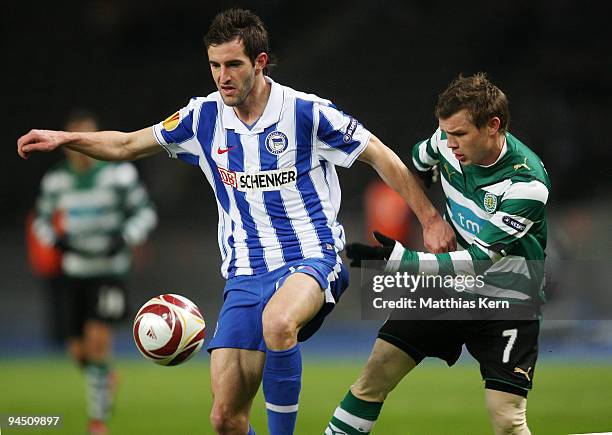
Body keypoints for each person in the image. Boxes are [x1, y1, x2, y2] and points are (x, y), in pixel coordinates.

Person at [18, 9, 455, 435]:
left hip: (313, 257)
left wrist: (430, 218)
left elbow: (378, 153)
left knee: (278, 322)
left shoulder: (306, 112)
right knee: (225, 420)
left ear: (259, 63)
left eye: (233, 65)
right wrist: (67, 139)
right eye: (214, 65)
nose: (222, 76)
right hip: (245, 274)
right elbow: (129, 144)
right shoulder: (201, 117)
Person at [325, 73, 550, 435]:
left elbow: (481, 262)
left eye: (459, 134)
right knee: (375, 373)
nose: (450, 143)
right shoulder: (442, 145)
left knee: (508, 420)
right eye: (445, 132)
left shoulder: (527, 184)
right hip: (448, 291)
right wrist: (430, 219)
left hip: (509, 299)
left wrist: (401, 261)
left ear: (493, 126)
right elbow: (415, 168)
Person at [30, 110, 158, 435]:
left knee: (98, 342)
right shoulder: (56, 180)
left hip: (108, 273)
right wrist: (56, 241)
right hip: (74, 272)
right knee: (78, 351)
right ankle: (104, 376)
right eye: (76, 141)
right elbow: (41, 220)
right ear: (66, 145)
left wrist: (125, 238)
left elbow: (145, 213)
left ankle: (97, 422)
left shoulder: (119, 175)